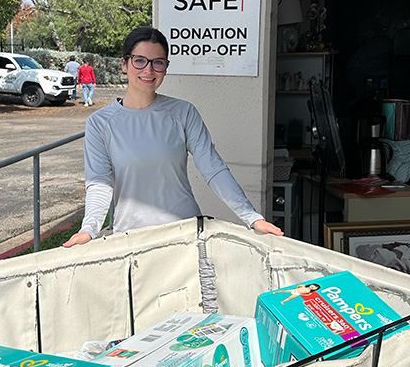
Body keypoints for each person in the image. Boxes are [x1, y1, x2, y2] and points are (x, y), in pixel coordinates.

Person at [64, 26, 283, 248]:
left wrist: (251, 216)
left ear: (166, 68)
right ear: (124, 64)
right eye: (140, 60)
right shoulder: (100, 123)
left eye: (158, 62)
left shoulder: (183, 113)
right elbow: (99, 183)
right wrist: (88, 230)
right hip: (130, 239)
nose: (149, 70)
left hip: (184, 235)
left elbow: (213, 169)